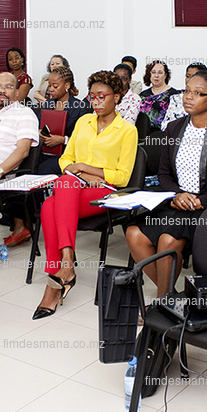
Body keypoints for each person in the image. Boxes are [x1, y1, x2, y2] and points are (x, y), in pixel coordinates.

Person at [126, 71, 207, 297]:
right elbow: (164, 174)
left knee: (167, 241)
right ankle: (169, 296)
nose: (189, 97)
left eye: (198, 93)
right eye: (187, 91)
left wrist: (201, 201)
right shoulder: (174, 128)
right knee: (134, 234)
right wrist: (176, 195)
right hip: (177, 201)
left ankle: (162, 302)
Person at [33, 71, 137, 319]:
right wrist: (78, 172)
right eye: (92, 96)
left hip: (106, 192)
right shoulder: (83, 122)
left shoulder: (127, 130)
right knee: (51, 202)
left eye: (102, 96)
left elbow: (122, 177)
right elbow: (65, 159)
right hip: (74, 186)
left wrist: (83, 169)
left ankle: (61, 272)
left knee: (53, 200)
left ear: (117, 97)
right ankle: (63, 268)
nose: (96, 101)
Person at [0, 72, 40, 247]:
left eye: (8, 87)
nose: (2, 91)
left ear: (17, 92)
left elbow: (23, 151)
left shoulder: (24, 113)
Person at [38, 65, 91, 174]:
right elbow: (38, 126)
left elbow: (85, 139)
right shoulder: (48, 104)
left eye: (55, 86)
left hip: (66, 154)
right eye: (49, 85)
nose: (51, 89)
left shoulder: (80, 107)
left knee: (44, 169)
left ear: (67, 85)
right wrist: (40, 133)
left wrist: (63, 140)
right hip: (43, 150)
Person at [160, 63, 207, 131]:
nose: (191, 79)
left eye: (195, 76)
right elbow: (165, 125)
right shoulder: (175, 98)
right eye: (188, 76)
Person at [139, 60, 178, 132]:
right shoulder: (143, 95)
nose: (156, 76)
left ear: (165, 75)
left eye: (160, 73)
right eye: (153, 72)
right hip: (143, 135)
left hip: (164, 135)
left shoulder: (174, 95)